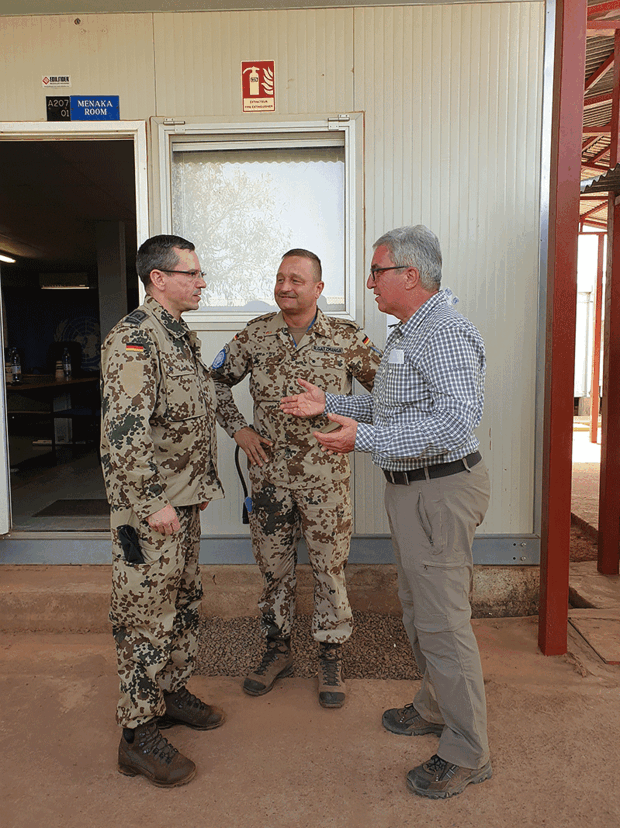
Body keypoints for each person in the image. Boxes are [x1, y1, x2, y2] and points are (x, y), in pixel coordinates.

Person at [280, 225, 492, 799]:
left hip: (440, 489)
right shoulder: (409, 331)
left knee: (442, 622)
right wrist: (334, 404)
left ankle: (468, 751)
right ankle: (434, 704)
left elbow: (453, 423)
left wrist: (364, 440)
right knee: (417, 609)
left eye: (377, 272)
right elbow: (389, 404)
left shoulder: (444, 331)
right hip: (413, 488)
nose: (369, 282)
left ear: (410, 276)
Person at [210, 249, 381, 708]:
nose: (286, 286)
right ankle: (276, 650)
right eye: (280, 278)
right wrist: (239, 429)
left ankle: (330, 655)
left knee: (329, 569)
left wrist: (353, 427)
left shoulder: (345, 338)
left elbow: (388, 393)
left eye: (297, 279)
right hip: (268, 479)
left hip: (326, 481)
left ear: (318, 288)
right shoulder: (255, 335)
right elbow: (212, 382)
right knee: (273, 570)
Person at [100, 234, 226, 788]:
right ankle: (136, 735)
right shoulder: (134, 339)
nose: (201, 282)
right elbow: (123, 434)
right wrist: (152, 504)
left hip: (182, 502)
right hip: (150, 511)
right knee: (144, 619)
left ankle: (170, 694)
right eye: (192, 273)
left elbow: (191, 412)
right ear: (159, 278)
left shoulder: (180, 337)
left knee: (183, 603)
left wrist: (198, 483)